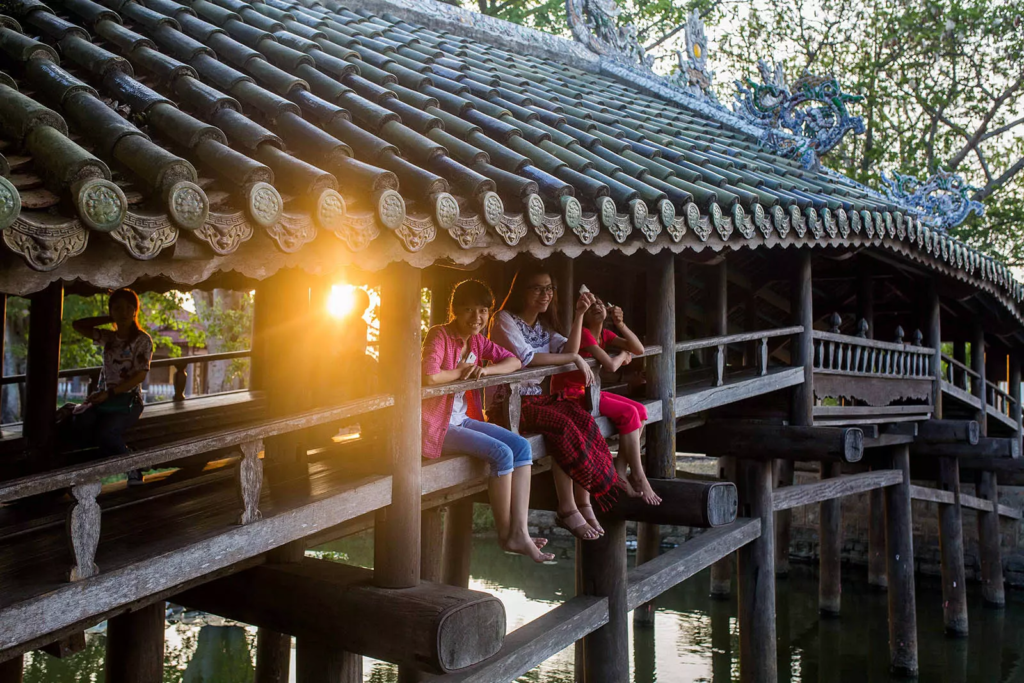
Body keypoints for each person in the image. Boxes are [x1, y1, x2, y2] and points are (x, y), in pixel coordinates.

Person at [422, 279, 554, 563]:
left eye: (483, 311)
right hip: (437, 425)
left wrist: (485, 369)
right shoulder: (439, 335)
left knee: (521, 448)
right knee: (501, 453)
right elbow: (431, 376)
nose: (477, 318)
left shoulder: (478, 341)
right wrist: (462, 371)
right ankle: (507, 534)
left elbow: (515, 361)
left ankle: (520, 530)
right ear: (455, 310)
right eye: (469, 310)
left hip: (463, 419)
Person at [489, 264, 622, 541]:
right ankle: (567, 507)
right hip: (509, 405)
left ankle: (584, 501)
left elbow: (570, 349)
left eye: (549, 289)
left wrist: (580, 315)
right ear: (521, 291)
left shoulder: (543, 326)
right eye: (537, 288)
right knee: (562, 426)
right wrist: (573, 359)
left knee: (582, 417)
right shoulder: (504, 320)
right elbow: (528, 359)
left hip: (538, 399)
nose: (544, 294)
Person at [552, 296, 662, 505]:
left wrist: (621, 324)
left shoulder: (606, 334)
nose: (597, 307)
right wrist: (622, 355)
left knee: (640, 411)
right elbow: (611, 366)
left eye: (601, 304)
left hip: (590, 391)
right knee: (629, 413)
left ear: (608, 311)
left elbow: (639, 349)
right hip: (573, 394)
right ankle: (638, 476)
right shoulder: (585, 334)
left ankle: (619, 471)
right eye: (592, 306)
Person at [71, 288, 153, 484]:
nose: (123, 313)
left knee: (106, 432)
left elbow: (140, 375)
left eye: (127, 308)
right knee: (79, 424)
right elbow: (78, 325)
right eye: (117, 308)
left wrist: (111, 393)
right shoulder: (109, 338)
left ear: (135, 311)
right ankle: (121, 455)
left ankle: (132, 468)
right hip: (104, 398)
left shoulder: (143, 340)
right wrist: (108, 318)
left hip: (128, 401)